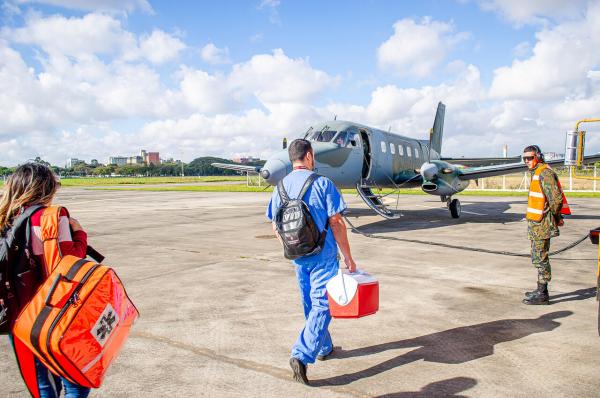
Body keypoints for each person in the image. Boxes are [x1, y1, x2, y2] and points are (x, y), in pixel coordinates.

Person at [266, 139, 357, 385]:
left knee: (309, 303)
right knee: (322, 305)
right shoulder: (323, 183)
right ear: (309, 156)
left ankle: (323, 346)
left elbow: (275, 225)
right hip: (323, 256)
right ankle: (301, 354)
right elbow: (336, 222)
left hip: (297, 257)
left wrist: (291, 246)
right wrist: (348, 256)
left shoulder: (280, 187)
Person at [0, 163, 91, 397]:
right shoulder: (51, 217)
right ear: (47, 188)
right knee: (75, 381)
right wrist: (80, 234)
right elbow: (70, 262)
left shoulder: (4, 219)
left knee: (41, 381)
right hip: (53, 311)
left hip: (17, 312)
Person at [522, 145, 568, 305]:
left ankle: (542, 294)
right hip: (536, 224)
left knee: (541, 258)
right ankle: (540, 289)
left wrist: (556, 217)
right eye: (525, 158)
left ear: (539, 156)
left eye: (530, 157)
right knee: (537, 257)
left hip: (543, 224)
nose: (527, 161)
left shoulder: (545, 173)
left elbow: (556, 200)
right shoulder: (537, 173)